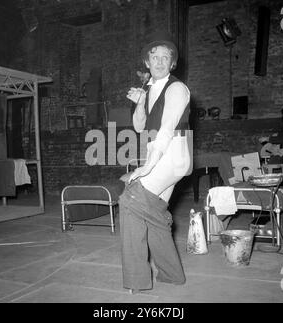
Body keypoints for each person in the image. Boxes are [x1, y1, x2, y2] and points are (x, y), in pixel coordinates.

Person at [119, 30, 192, 294]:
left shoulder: (177, 88)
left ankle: (137, 280)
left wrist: (146, 167)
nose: (160, 61)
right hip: (163, 156)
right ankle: (172, 274)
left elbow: (167, 129)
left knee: (130, 200)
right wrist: (140, 102)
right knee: (156, 215)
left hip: (171, 155)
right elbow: (140, 127)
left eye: (166, 57)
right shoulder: (150, 90)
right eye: (154, 57)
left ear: (172, 64)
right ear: (147, 64)